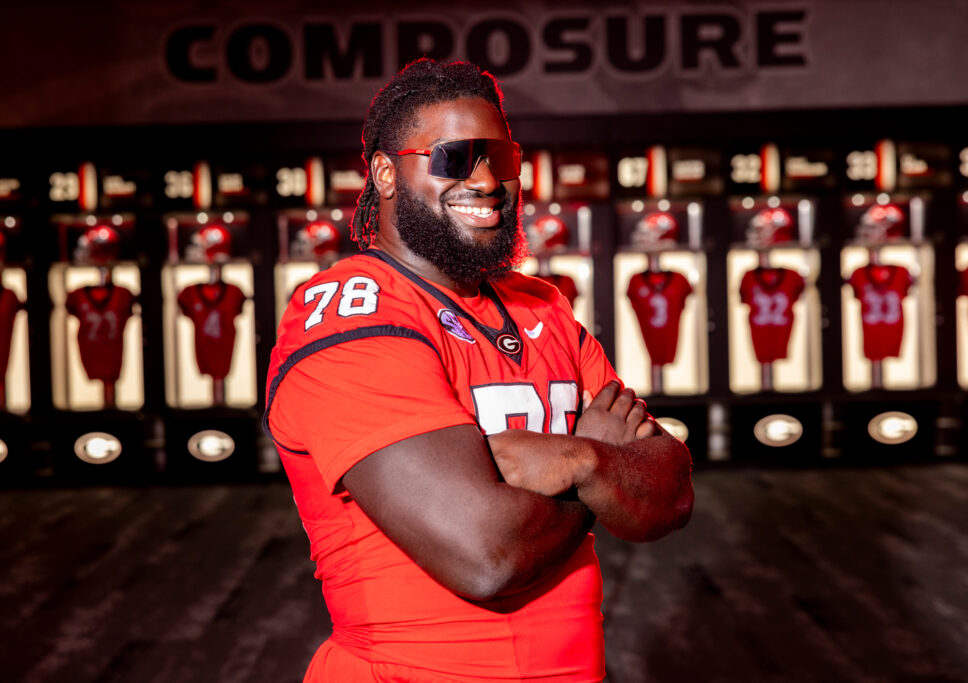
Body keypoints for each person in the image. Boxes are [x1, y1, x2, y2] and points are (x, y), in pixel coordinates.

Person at [264, 58, 693, 682]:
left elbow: (671, 492)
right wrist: (604, 467)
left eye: (501, 157)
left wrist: (580, 461)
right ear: (385, 172)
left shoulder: (540, 304)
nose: (487, 179)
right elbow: (485, 556)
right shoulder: (349, 314)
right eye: (453, 157)